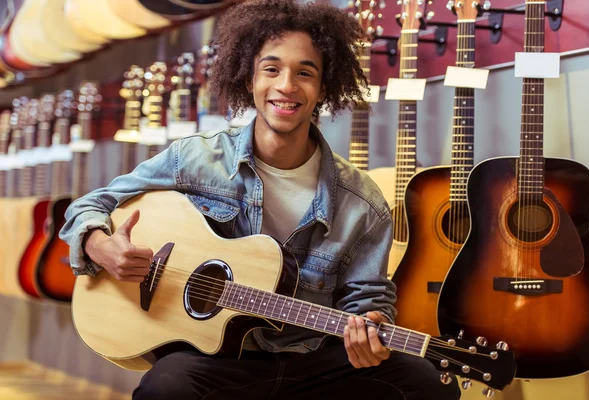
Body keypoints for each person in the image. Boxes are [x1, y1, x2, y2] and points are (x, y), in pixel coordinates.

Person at [59, 1, 461, 399]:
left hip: (312, 358)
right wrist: (100, 245)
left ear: (324, 87)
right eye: (271, 70)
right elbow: (88, 207)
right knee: (166, 387)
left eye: (305, 73)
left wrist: (370, 326)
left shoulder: (363, 201)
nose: (286, 86)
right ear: (248, 79)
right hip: (212, 359)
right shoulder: (196, 160)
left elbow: (368, 298)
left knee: (426, 383)